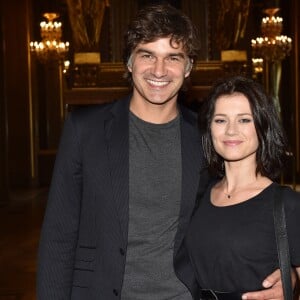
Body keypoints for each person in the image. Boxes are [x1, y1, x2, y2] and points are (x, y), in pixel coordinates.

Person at [37, 4, 286, 300]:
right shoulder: (85, 130)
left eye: (173, 58)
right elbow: (58, 236)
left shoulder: (209, 136)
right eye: (147, 55)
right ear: (129, 62)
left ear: (188, 67)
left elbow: (250, 210)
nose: (159, 70)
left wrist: (291, 270)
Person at [175, 75, 300, 299]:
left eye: (244, 120)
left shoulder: (288, 204)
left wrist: (294, 282)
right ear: (209, 129)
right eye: (221, 120)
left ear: (262, 127)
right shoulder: (197, 195)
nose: (231, 131)